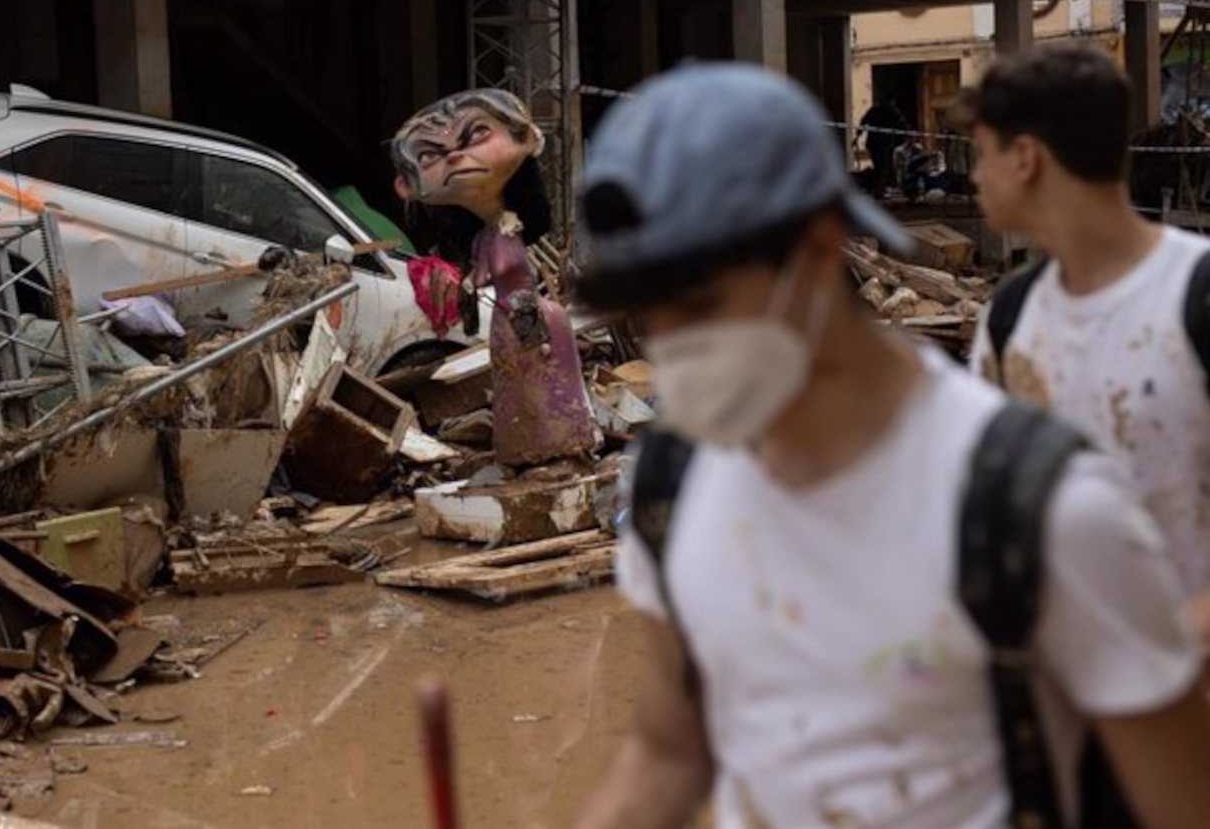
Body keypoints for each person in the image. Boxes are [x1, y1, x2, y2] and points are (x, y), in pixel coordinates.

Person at [571, 62, 1210, 828]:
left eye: (701, 303)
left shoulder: (1043, 510)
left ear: (816, 249)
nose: (672, 344)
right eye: (649, 313)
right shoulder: (670, 488)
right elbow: (669, 752)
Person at [958, 43, 1210, 638]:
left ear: (1025, 158)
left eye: (982, 154)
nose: (974, 176)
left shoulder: (1195, 296)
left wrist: (1176, 648)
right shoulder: (1010, 318)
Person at [391, 88, 597, 466]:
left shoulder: (506, 232)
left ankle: (550, 442)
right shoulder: (489, 234)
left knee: (537, 373)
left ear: (527, 138)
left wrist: (526, 331)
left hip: (520, 311)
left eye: (476, 136)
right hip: (510, 316)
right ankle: (529, 442)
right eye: (429, 154)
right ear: (407, 184)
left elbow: (509, 273)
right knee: (519, 380)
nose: (454, 155)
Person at [858, 96, 910, 197]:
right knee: (882, 167)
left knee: (878, 167)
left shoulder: (874, 110)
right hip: (883, 143)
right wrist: (908, 130)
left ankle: (878, 189)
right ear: (892, 101)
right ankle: (879, 190)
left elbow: (863, 121)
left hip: (873, 143)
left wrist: (858, 134)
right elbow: (901, 122)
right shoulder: (892, 110)